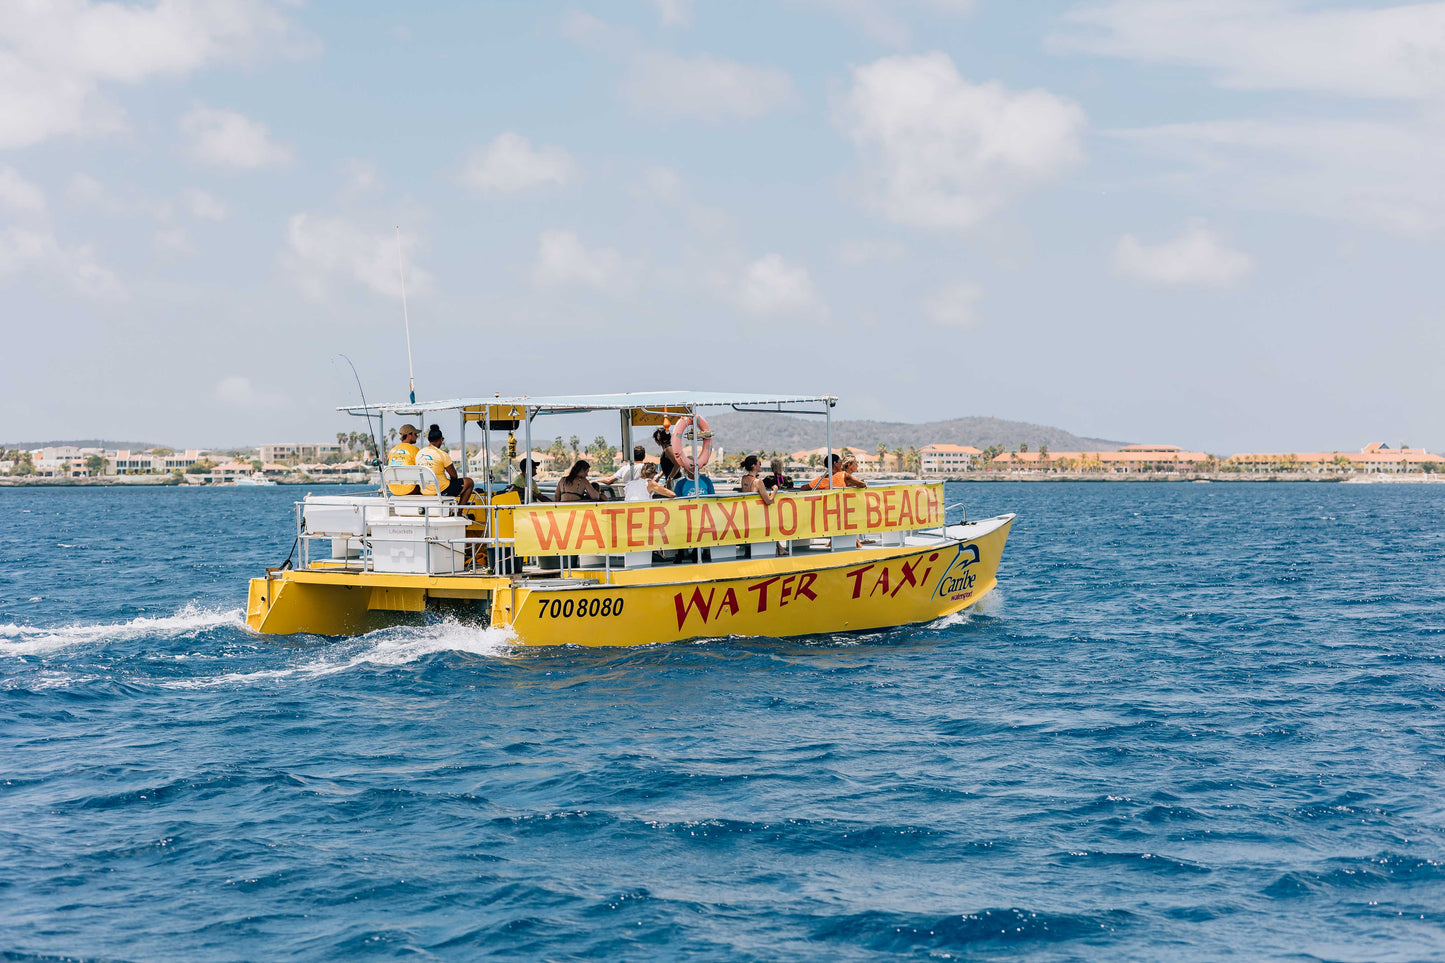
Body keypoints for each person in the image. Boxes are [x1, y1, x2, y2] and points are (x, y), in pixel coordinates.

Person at [415, 424, 475, 502]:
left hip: (425, 491)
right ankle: (459, 512)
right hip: (442, 490)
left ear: (429, 440)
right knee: (469, 482)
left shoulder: (419, 453)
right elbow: (454, 476)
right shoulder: (442, 454)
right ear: (441, 439)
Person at [386, 423, 421, 495]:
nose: (417, 437)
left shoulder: (393, 450)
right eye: (415, 434)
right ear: (409, 435)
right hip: (410, 489)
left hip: (393, 489)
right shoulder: (415, 450)